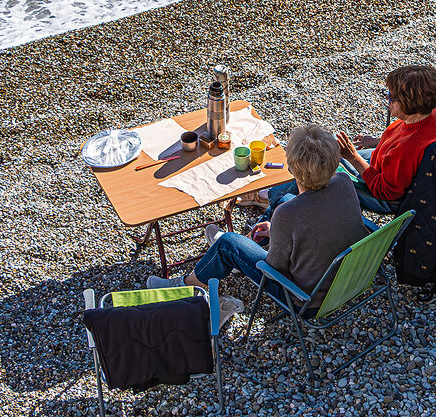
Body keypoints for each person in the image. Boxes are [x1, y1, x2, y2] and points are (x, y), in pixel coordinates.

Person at [147, 124, 369, 311]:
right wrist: (279, 232)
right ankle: (232, 257)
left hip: (307, 300)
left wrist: (277, 233)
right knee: (285, 199)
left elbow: (273, 268)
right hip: (348, 280)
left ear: (291, 169)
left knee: (227, 243)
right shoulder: (343, 181)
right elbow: (322, 222)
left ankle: (186, 287)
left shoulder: (289, 215)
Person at [337, 64, 436, 213]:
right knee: (328, 148)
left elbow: (385, 191)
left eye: (392, 96)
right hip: (385, 163)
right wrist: (376, 141)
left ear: (407, 104)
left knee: (324, 165)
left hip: (383, 193)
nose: (387, 97)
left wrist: (353, 157)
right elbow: (401, 141)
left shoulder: (408, 148)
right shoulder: (434, 111)